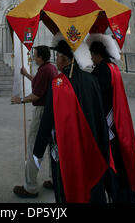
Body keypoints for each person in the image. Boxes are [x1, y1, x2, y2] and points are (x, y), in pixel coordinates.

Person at [33, 40, 110, 203]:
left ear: (64, 58)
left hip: (67, 149)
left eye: (57, 56)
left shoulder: (58, 84)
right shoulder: (91, 79)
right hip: (93, 145)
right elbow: (99, 115)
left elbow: (47, 121)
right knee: (93, 188)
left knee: (67, 188)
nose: (56, 60)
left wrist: (37, 152)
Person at [89, 38, 135, 203]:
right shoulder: (113, 67)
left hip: (109, 125)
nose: (90, 58)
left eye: (92, 55)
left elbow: (95, 95)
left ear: (97, 55)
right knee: (123, 161)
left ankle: (119, 196)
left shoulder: (101, 71)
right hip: (118, 121)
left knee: (114, 164)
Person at [11, 45, 58, 198]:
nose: (32, 57)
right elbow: (40, 83)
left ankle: (30, 187)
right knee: (53, 147)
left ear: (41, 57)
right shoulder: (50, 68)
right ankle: (55, 179)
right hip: (51, 111)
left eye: (35, 55)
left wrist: (21, 100)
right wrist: (26, 75)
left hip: (41, 112)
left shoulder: (44, 70)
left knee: (34, 147)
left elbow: (37, 94)